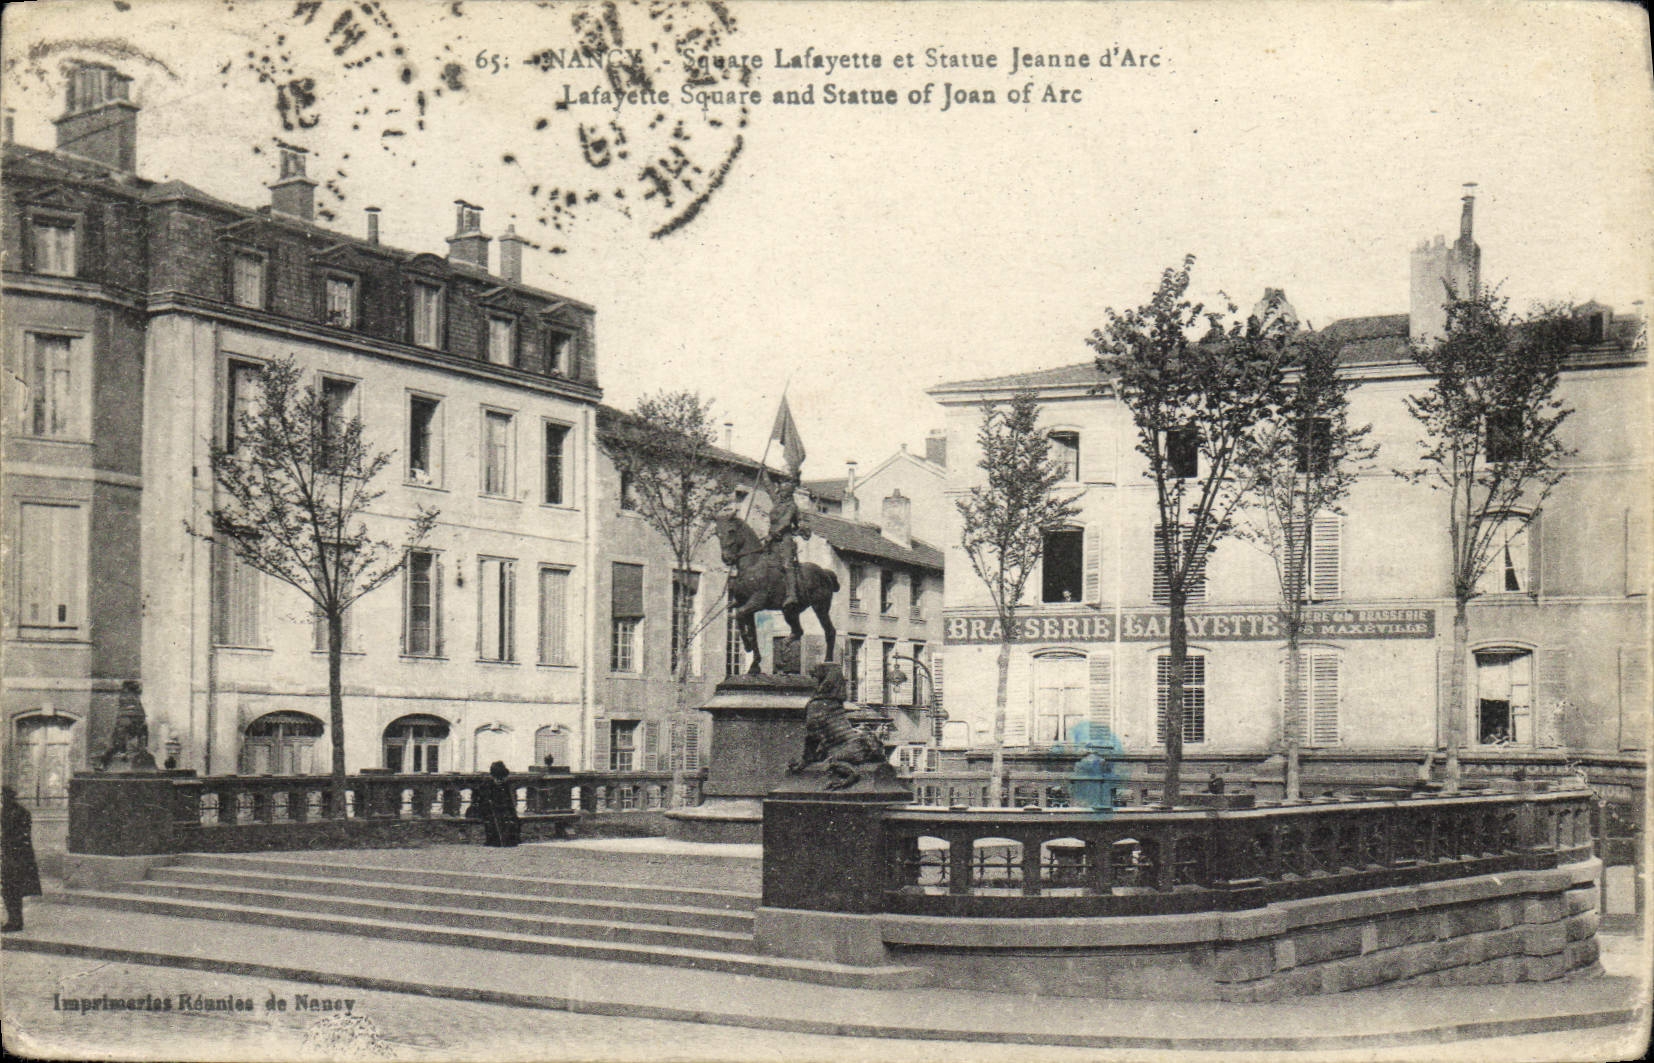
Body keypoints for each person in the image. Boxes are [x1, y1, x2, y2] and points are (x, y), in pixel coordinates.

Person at [764, 471, 811, 609]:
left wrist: (773, 534)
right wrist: (763, 472)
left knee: (787, 564)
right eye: (781, 489)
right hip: (771, 539)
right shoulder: (777, 502)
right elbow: (769, 487)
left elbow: (785, 523)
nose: (781, 492)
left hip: (785, 539)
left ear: (789, 493)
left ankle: (792, 595)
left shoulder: (792, 507)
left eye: (784, 491)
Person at [2, 785, 43, 932]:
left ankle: (15, 921)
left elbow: (21, 836)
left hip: (16, 857)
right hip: (8, 856)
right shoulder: (6, 811)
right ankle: (12, 919)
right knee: (8, 889)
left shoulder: (20, 812)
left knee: (13, 889)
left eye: (4, 796)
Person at [466, 762, 521, 847]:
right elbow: (480, 800)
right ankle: (495, 840)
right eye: (498, 778)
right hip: (488, 810)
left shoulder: (505, 786)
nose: (499, 781)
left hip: (502, 809)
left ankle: (510, 840)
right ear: (493, 777)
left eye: (501, 779)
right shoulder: (486, 785)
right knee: (493, 820)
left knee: (511, 819)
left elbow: (509, 801)